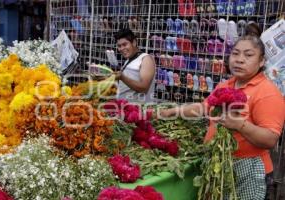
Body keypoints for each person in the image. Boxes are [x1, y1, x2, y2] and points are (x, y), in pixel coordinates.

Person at [160, 25, 285, 199]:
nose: (239, 60)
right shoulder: (226, 85)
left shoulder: (268, 93)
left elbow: (270, 139)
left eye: (248, 55)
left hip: (249, 171)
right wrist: (169, 112)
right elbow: (204, 108)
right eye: (235, 53)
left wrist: (240, 125)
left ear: (262, 61)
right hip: (220, 165)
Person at [114, 29, 156, 103]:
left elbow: (144, 88)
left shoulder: (146, 59)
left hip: (139, 111)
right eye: (119, 46)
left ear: (134, 42)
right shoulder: (128, 60)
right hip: (126, 109)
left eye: (125, 44)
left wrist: (122, 77)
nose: (122, 48)